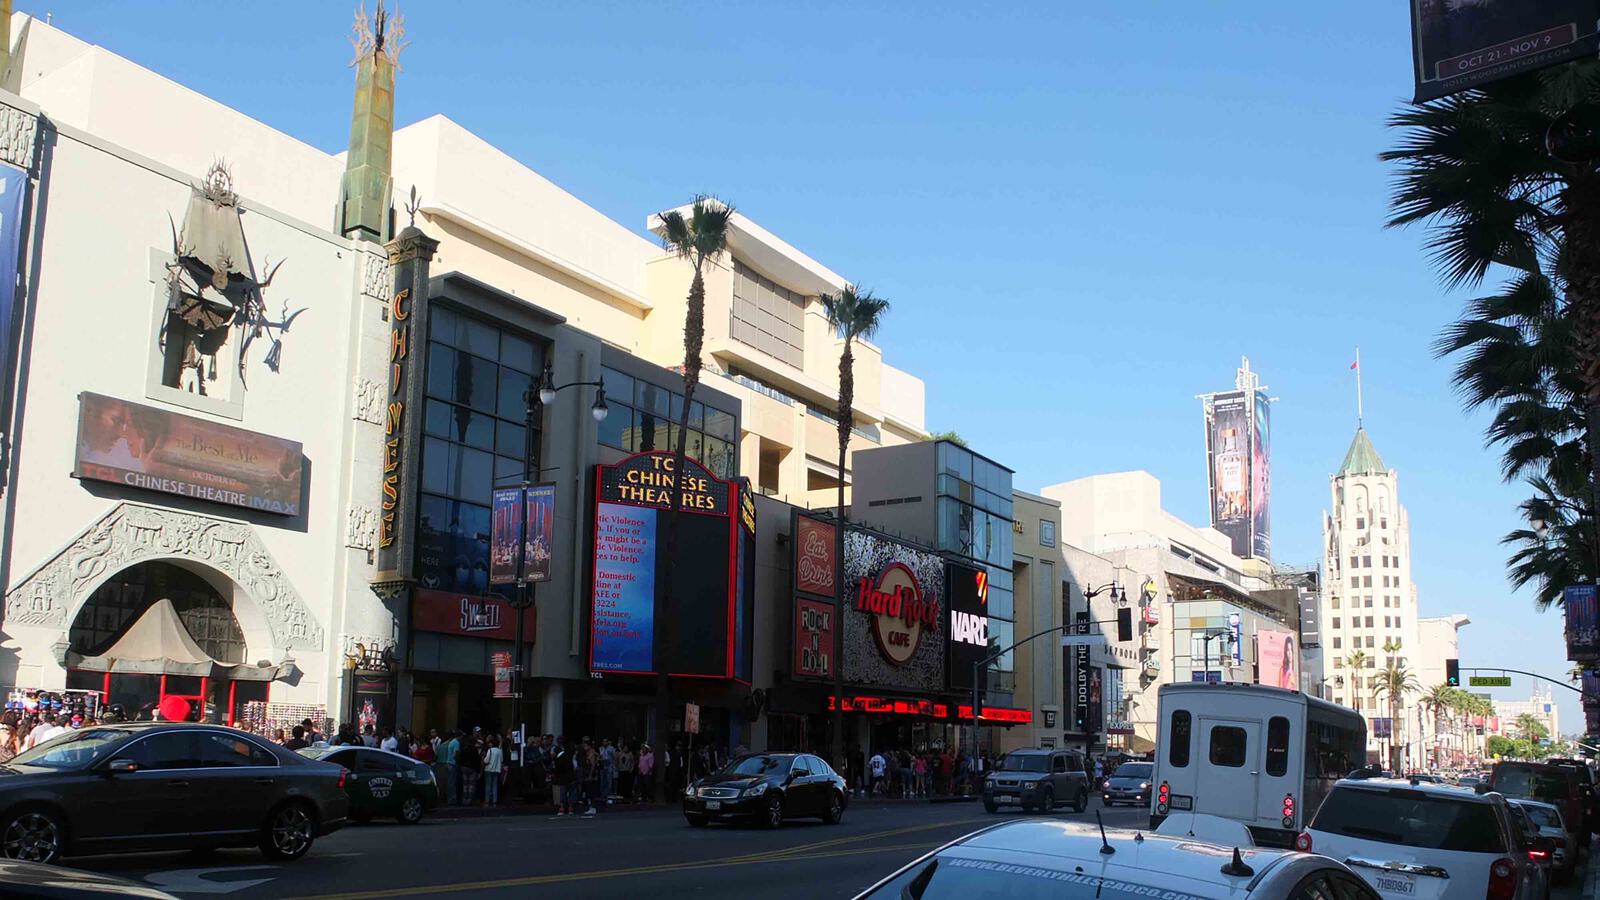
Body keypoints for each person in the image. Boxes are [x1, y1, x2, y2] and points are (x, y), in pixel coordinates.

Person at [552, 737, 579, 816]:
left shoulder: (559, 756)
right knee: (572, 792)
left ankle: (562, 808)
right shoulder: (571, 755)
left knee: (563, 793)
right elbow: (575, 766)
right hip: (571, 776)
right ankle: (571, 808)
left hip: (562, 777)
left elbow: (557, 766)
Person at [458, 734, 483, 806]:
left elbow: (460, 757)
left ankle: (464, 799)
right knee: (471, 784)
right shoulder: (474, 749)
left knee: (465, 784)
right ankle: (469, 800)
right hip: (472, 767)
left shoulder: (463, 748)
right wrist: (478, 770)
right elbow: (477, 760)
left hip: (464, 767)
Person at [439, 731, 461, 805]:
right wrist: (458, 762)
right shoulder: (456, 743)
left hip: (448, 763)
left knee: (449, 782)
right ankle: (452, 799)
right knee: (452, 782)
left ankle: (449, 798)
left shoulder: (451, 742)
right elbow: (456, 754)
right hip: (453, 763)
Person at [483, 735, 504, 806]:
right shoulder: (500, 751)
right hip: (497, 769)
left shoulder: (490, 750)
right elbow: (501, 760)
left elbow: (486, 760)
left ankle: (487, 800)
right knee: (495, 785)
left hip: (489, 769)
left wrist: (483, 760)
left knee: (488, 785)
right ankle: (495, 800)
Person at [599, 738, 617, 804]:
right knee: (603, 781)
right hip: (603, 765)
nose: (604, 742)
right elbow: (600, 756)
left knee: (609, 780)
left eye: (605, 741)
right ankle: (602, 795)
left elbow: (614, 757)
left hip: (609, 765)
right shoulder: (600, 748)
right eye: (603, 741)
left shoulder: (611, 748)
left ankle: (608, 794)